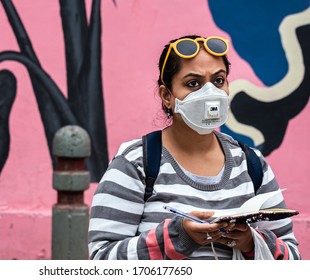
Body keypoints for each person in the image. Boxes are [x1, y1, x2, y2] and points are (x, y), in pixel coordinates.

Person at [88, 35, 301, 260]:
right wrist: (179, 237)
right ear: (166, 96)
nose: (210, 94)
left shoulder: (252, 164)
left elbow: (292, 258)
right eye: (193, 84)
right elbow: (102, 260)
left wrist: (251, 242)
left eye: (218, 81)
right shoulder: (136, 162)